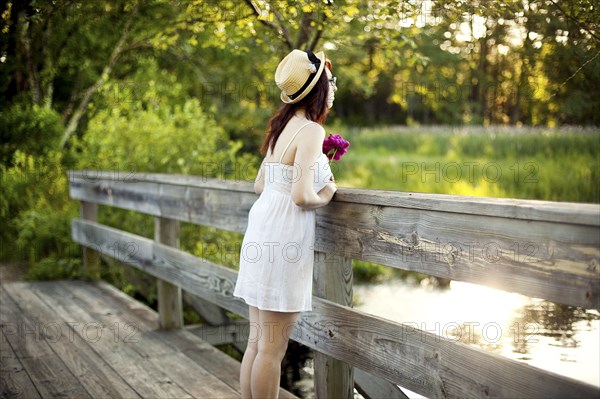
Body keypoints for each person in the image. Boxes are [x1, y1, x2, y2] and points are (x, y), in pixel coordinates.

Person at [232, 48, 338, 399]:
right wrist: (329, 192)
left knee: (258, 342)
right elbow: (302, 196)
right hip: (284, 239)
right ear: (319, 88)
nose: (334, 86)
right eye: (330, 80)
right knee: (273, 350)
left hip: (262, 228)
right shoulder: (310, 131)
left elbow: (260, 185)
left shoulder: (281, 125)